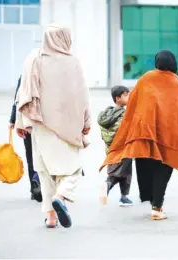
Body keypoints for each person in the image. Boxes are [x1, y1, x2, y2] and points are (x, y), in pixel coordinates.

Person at [100, 50, 178, 220]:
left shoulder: (146, 78)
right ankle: (157, 207)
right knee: (163, 170)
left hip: (145, 134)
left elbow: (133, 104)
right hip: (168, 137)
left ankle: (148, 197)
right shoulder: (177, 83)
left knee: (145, 166)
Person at [15, 24, 91, 229]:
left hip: (41, 125)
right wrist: (86, 123)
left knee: (45, 172)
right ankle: (62, 196)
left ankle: (50, 217)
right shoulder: (73, 62)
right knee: (72, 170)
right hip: (69, 125)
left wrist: (21, 122)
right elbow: (83, 95)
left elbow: (24, 92)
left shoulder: (34, 60)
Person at [98, 85, 133, 207]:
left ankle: (124, 197)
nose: (129, 97)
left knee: (121, 172)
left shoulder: (107, 114)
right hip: (123, 149)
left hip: (110, 150)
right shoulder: (124, 115)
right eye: (125, 95)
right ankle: (107, 185)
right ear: (117, 98)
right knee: (120, 174)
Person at [9, 75, 42, 202]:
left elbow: (17, 100)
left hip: (26, 121)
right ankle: (41, 183)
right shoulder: (47, 74)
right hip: (44, 122)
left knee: (30, 156)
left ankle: (34, 189)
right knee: (45, 155)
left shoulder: (24, 76)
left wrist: (13, 120)